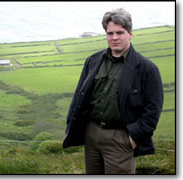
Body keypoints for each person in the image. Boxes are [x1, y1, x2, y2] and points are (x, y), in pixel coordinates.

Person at [63, 8, 164, 174]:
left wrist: (132, 139)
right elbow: (79, 96)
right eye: (110, 33)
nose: (114, 38)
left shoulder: (147, 69)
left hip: (121, 138)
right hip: (92, 134)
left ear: (130, 34)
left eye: (120, 32)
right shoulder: (93, 60)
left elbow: (153, 110)